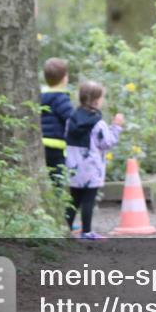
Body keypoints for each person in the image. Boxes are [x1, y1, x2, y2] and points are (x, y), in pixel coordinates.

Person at [64, 80, 124, 240]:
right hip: (91, 169)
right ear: (97, 100)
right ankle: (87, 231)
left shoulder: (71, 118)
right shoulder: (98, 122)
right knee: (88, 201)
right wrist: (116, 127)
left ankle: (66, 228)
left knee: (74, 199)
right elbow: (107, 143)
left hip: (73, 167)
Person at [40, 58, 73, 187]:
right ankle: (57, 200)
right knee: (57, 179)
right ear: (65, 78)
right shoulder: (61, 98)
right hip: (57, 146)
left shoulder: (40, 96)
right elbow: (71, 119)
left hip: (42, 143)